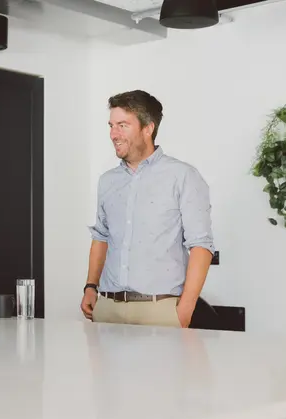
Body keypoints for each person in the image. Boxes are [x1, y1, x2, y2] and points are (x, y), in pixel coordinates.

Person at [80, 90, 215, 328]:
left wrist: (185, 309)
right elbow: (101, 237)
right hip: (108, 309)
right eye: (111, 126)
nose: (113, 134)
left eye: (123, 125)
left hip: (160, 310)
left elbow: (201, 246)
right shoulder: (107, 181)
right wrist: (90, 287)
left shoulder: (182, 176)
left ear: (148, 128)